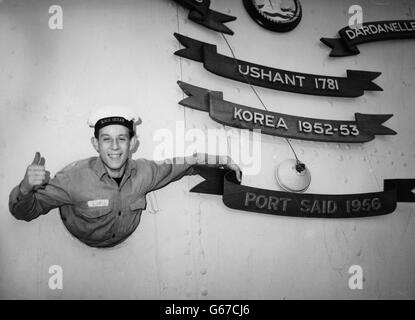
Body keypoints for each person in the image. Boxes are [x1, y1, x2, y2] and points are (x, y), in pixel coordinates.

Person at [9, 106, 241, 248]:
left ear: (132, 143)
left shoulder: (145, 172)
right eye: (106, 139)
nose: (115, 147)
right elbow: (24, 212)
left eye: (122, 139)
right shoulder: (73, 179)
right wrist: (25, 189)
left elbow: (184, 162)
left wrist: (222, 159)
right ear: (95, 144)